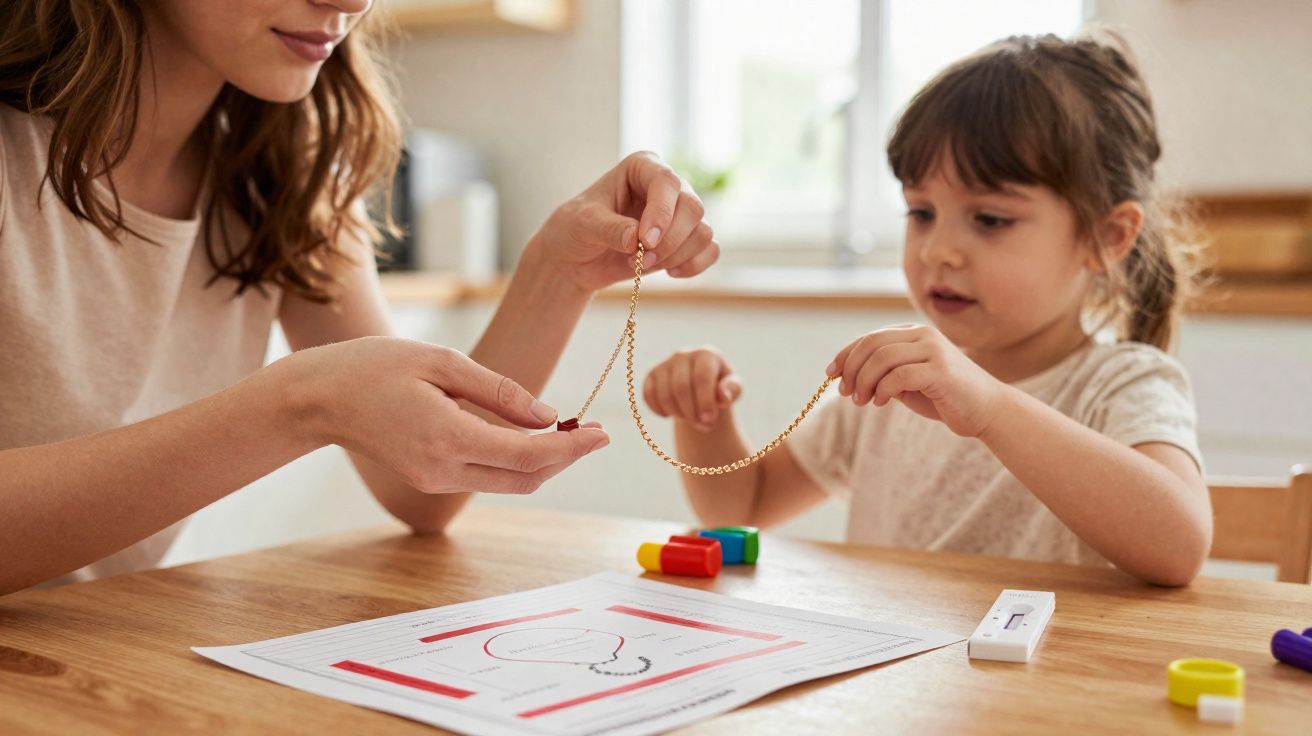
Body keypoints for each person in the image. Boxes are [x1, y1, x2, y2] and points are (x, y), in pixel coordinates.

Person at [0, 0, 719, 593]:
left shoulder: (284, 162)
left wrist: (557, 268)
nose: (349, 3)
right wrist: (300, 404)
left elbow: (421, 492)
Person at [642, 34, 1209, 586]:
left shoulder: (1122, 384)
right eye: (920, 213)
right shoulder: (891, 387)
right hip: (897, 682)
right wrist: (704, 419)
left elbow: (1178, 548)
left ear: (1106, 237)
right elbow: (745, 506)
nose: (938, 250)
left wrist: (988, 407)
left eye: (990, 219)